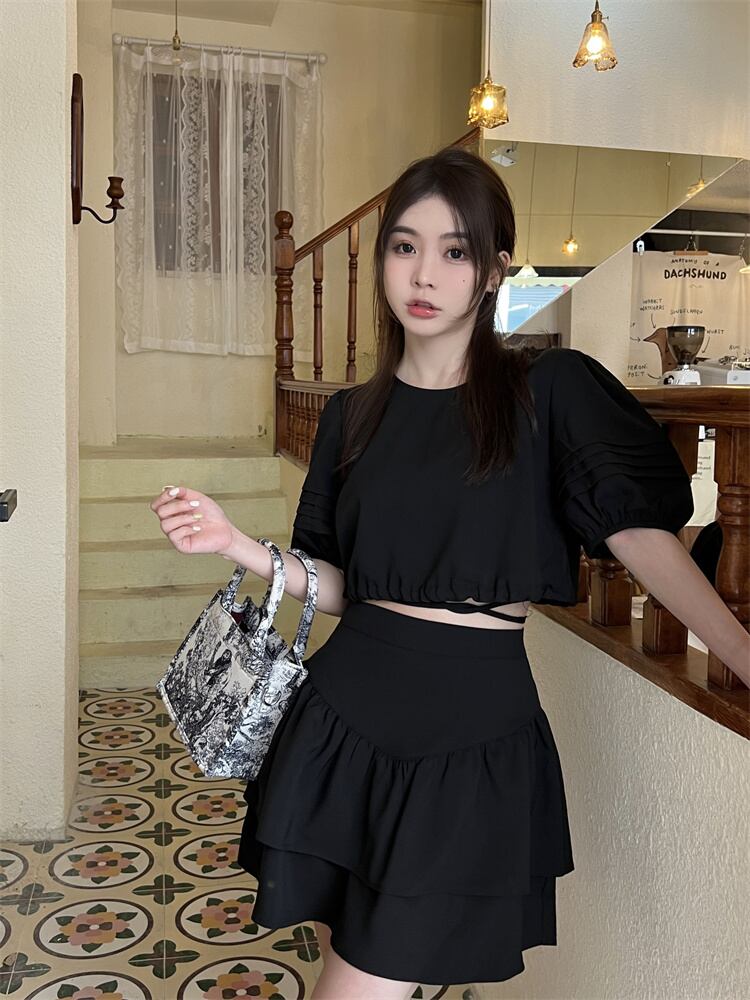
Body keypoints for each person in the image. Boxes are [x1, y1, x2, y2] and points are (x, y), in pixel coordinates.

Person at [150, 146, 699, 998]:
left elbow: (637, 534)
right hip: (341, 724)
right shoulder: (351, 416)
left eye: (455, 251)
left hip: (469, 740)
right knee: (356, 961)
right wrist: (235, 545)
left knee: (365, 978)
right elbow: (345, 587)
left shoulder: (545, 391)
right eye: (405, 247)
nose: (425, 274)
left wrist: (736, 650)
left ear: (494, 271)